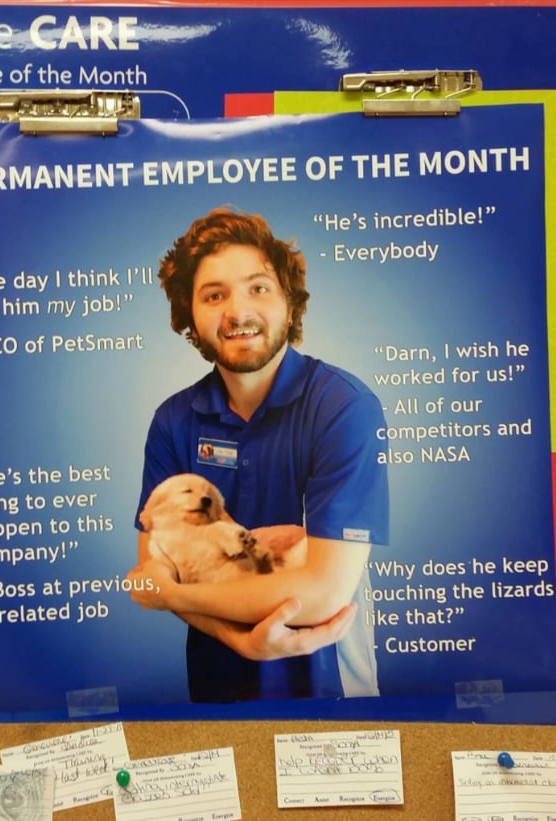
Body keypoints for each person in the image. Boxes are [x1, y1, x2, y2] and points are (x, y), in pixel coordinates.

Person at [129, 207, 388, 702]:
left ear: (290, 304)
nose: (237, 311)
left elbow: (322, 593)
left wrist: (176, 593)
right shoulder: (173, 422)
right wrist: (241, 642)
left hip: (331, 691)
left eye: (258, 288)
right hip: (216, 693)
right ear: (190, 315)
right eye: (214, 295)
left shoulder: (343, 408)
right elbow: (152, 568)